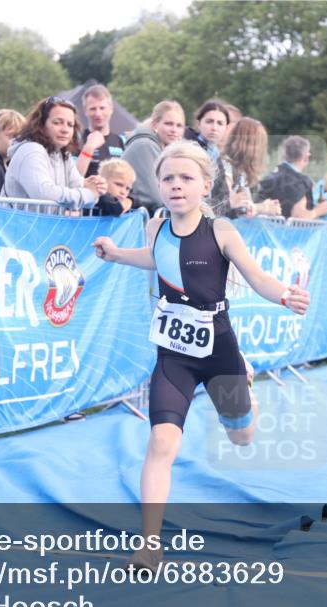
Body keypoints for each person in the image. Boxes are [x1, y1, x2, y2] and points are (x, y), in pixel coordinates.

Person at [92, 140, 310, 569]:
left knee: (242, 437)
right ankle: (150, 543)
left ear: (205, 186)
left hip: (219, 348)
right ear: (158, 184)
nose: (176, 186)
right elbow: (157, 260)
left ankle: (244, 380)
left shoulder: (221, 231)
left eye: (186, 178)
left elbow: (256, 276)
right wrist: (117, 255)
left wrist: (284, 294)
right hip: (173, 352)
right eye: (168, 178)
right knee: (161, 441)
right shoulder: (155, 226)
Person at [1, 97, 107, 207]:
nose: (65, 130)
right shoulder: (30, 150)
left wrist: (92, 185)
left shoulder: (63, 154)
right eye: (57, 123)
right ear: (41, 125)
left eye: (70, 125)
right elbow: (44, 194)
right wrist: (89, 194)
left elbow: (75, 185)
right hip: (15, 224)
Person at [121, 100, 186, 213]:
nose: (174, 130)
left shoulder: (160, 147)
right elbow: (155, 197)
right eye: (169, 124)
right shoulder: (145, 145)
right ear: (155, 124)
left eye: (179, 126)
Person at [257, 136, 327, 219]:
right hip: (289, 231)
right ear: (306, 157)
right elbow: (298, 216)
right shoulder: (300, 181)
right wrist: (319, 211)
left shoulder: (268, 178)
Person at [220, 117, 280, 217]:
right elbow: (229, 204)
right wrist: (263, 208)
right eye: (257, 143)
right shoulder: (225, 165)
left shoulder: (241, 173)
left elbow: (246, 208)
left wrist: (260, 207)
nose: (260, 149)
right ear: (244, 142)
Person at [185, 100, 231, 213]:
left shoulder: (215, 154)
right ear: (199, 123)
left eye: (220, 123)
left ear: (226, 128)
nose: (214, 128)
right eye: (209, 121)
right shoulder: (188, 148)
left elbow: (223, 194)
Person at [75, 85, 126, 178]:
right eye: (93, 109)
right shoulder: (76, 140)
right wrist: (88, 149)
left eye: (102, 108)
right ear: (85, 111)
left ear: (111, 109)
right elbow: (73, 178)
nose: (98, 114)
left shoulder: (122, 141)